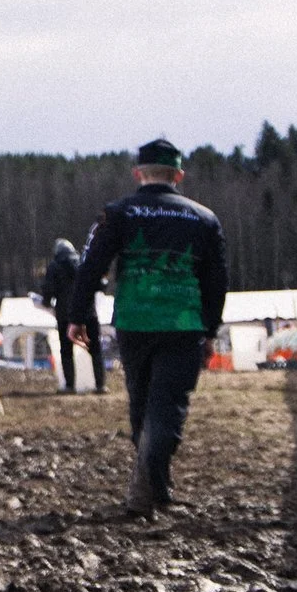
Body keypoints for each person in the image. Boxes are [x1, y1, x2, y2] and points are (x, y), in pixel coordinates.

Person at [67, 139, 228, 515]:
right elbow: (217, 280)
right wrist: (211, 329)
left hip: (134, 322)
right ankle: (153, 485)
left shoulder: (118, 212)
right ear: (179, 176)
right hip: (183, 323)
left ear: (138, 173)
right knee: (168, 405)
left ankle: (153, 486)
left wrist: (77, 315)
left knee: (142, 403)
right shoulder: (204, 218)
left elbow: (90, 265)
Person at [34, 237, 101, 391]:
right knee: (95, 348)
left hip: (65, 314)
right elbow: (96, 283)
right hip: (88, 312)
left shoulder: (54, 266)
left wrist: (45, 301)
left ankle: (70, 385)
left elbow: (48, 290)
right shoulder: (83, 263)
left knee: (66, 350)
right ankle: (100, 384)